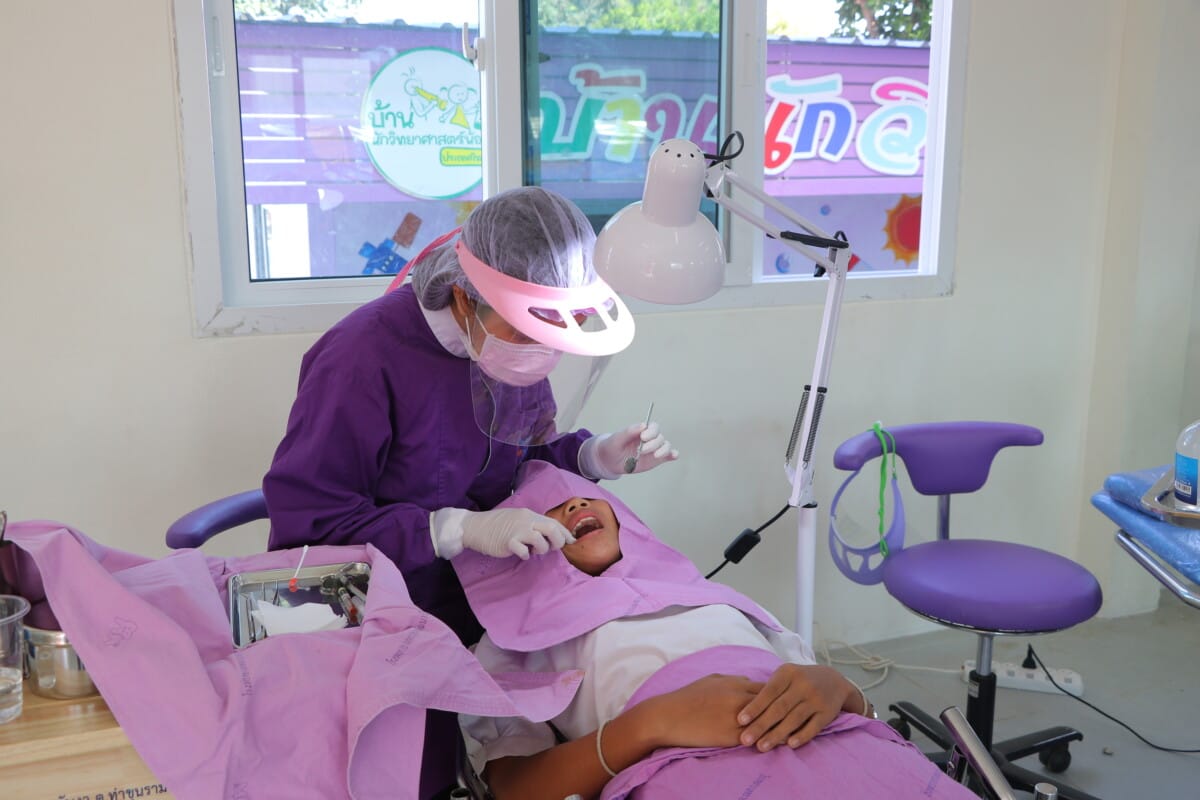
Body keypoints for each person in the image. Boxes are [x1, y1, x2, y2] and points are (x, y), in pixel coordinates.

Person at [261, 187, 678, 798]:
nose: (543, 345)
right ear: (464, 297)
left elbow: (520, 456)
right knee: (415, 768)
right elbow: (310, 523)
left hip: (475, 598)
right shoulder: (360, 358)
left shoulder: (506, 353)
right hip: (364, 607)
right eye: (529, 326)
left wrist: (592, 456)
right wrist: (453, 529)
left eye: (557, 327)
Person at [455, 462, 979, 800]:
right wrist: (648, 725)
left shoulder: (712, 597)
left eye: (585, 496)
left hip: (834, 746)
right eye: (549, 510)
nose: (575, 505)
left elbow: (825, 692)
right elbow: (511, 786)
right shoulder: (513, 642)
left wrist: (841, 689)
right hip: (692, 772)